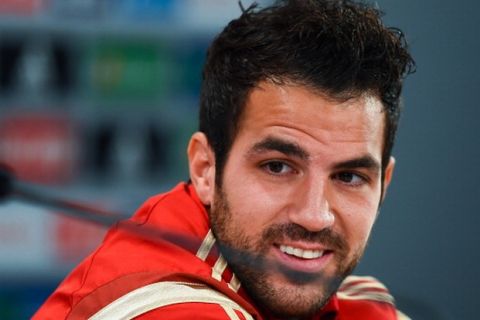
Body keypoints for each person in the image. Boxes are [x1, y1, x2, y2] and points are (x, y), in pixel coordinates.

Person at [34, 0, 415, 319]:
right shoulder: (170, 307)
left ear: (384, 186)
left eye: (348, 176)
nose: (314, 216)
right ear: (204, 169)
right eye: (277, 167)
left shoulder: (355, 301)